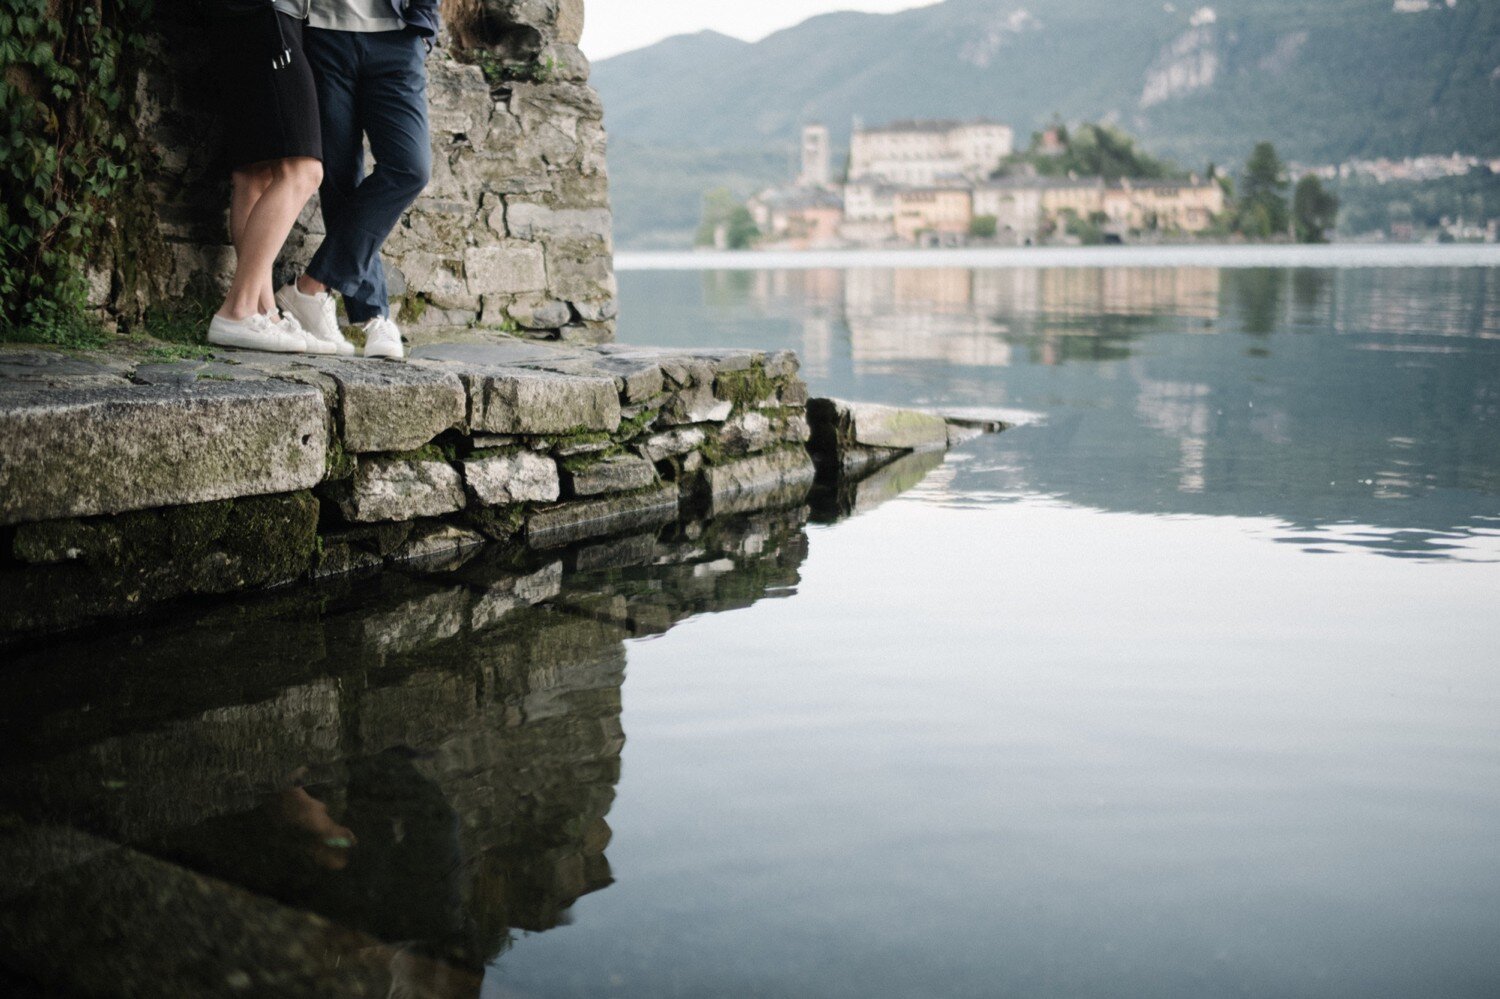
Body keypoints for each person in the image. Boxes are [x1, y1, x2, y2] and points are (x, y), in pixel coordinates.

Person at [275, 0, 440, 361]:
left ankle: (312, 286)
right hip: (323, 33)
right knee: (339, 176)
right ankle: (374, 317)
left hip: (397, 36)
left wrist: (426, 24)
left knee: (410, 168)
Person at [202, 0, 347, 355]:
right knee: (303, 170)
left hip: (254, 17)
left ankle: (263, 312)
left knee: (255, 173)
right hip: (267, 12)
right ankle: (238, 309)